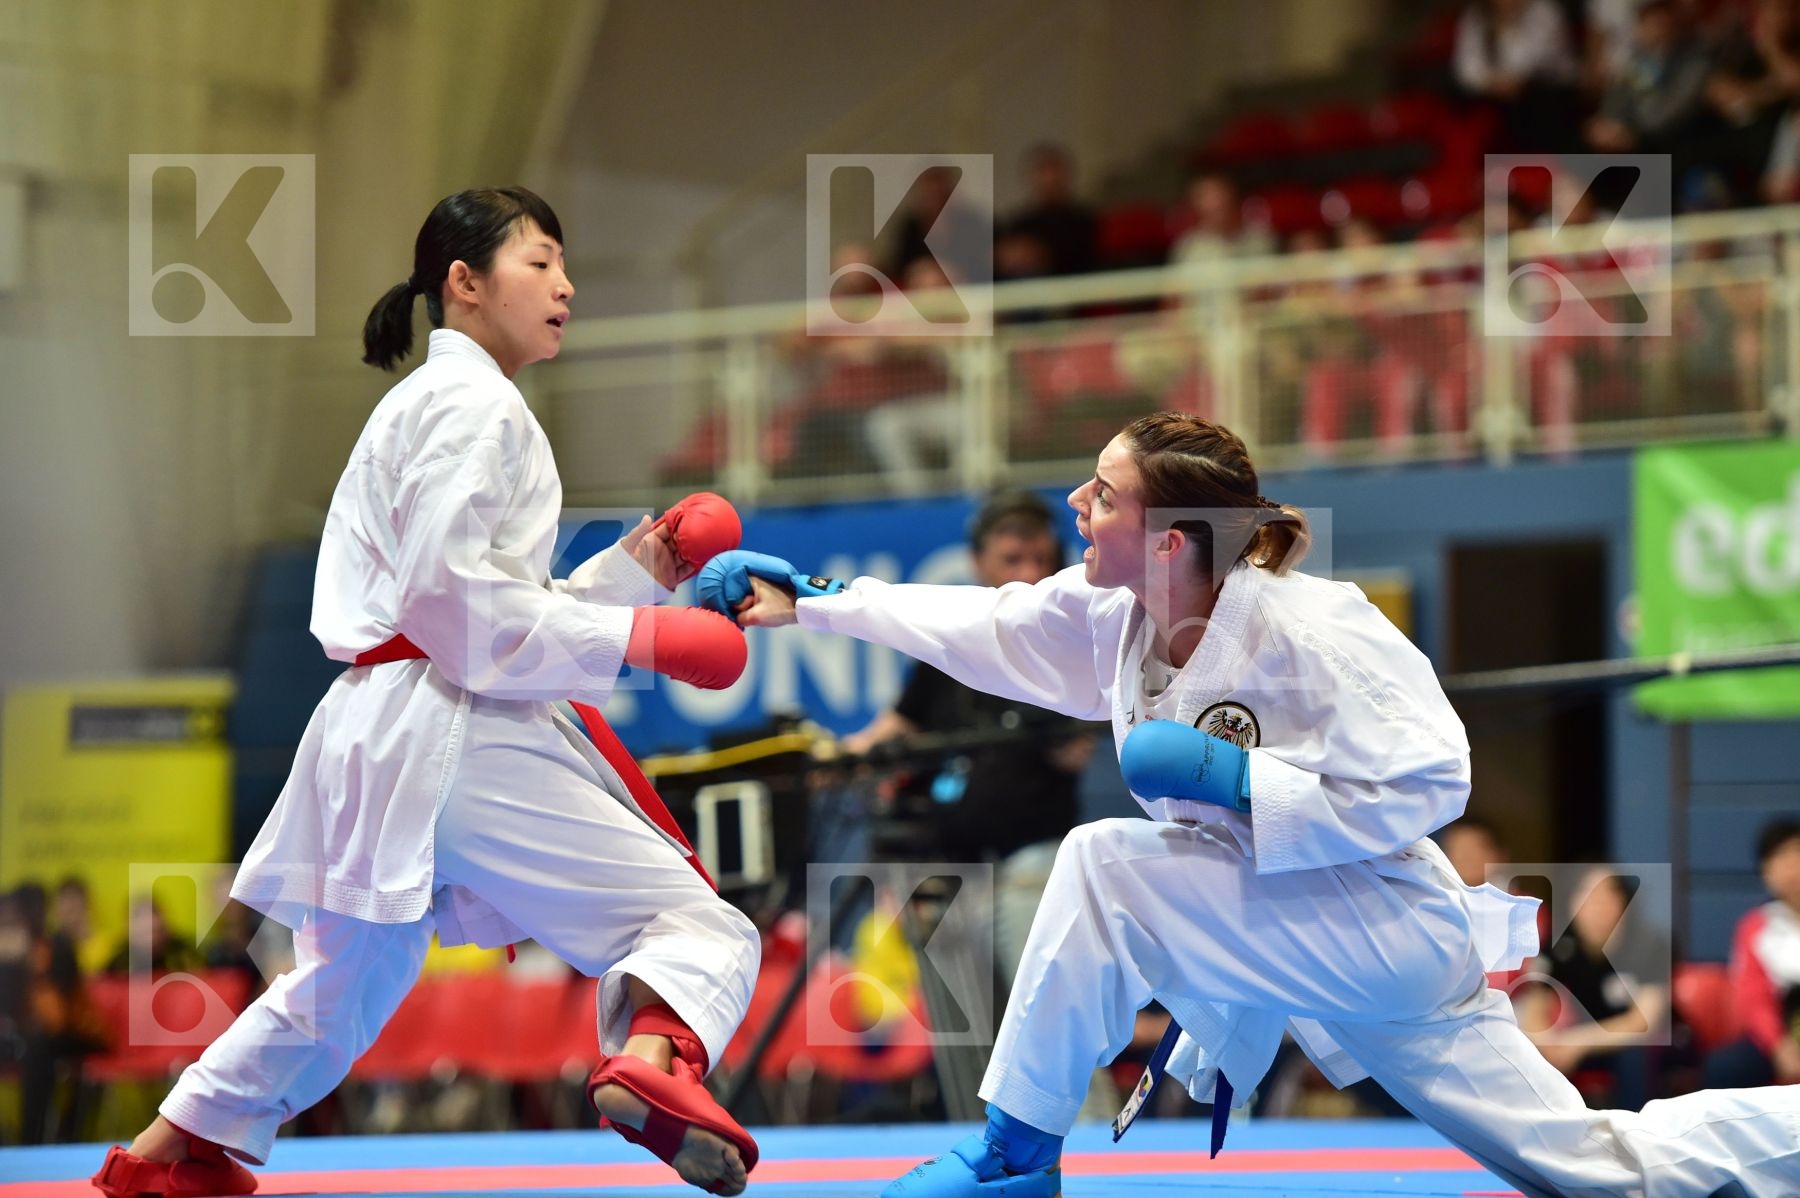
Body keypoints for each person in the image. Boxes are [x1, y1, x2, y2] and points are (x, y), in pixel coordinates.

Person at [701, 411, 1800, 1197]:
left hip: (1385, 927)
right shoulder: (1114, 615)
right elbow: (983, 626)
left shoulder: (1311, 628)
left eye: (1102, 495)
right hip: (1299, 933)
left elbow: (1436, 773)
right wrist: (816, 600)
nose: (1076, 508)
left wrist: (1242, 780)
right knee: (1600, 1171)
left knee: (1101, 862)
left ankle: (1013, 1154)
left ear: (1172, 538)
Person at [91, 188, 761, 1198]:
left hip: (379, 725)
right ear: (465, 281)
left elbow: (480, 604)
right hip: (450, 728)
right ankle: (656, 1064)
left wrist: (639, 570)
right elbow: (454, 609)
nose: (567, 284)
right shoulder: (474, 403)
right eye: (540, 261)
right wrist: (646, 637)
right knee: (694, 924)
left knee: (346, 980)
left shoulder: (438, 402)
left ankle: (169, 1155)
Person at [840, 490, 1097, 985]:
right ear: (980, 564)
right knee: (966, 1035)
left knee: (1042, 1013)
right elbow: (895, 726)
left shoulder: (1070, 646)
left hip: (1032, 865)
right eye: (1011, 559)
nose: (1026, 571)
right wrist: (836, 759)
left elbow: (1075, 750)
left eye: (1040, 560)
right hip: (951, 869)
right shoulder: (951, 645)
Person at [1514, 866, 1672, 1111]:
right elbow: (1535, 1004)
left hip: (1650, 1044)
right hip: (1586, 1042)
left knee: (1634, 1058)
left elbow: (1643, 1023)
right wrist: (1545, 1042)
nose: (1597, 907)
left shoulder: (1649, 945)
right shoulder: (1560, 945)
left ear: (1623, 903)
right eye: (1588, 897)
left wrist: (1577, 1042)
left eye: (1606, 896)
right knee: (1528, 1052)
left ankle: (1636, 1138)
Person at [1706, 817, 1800, 1089]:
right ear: (1766, 873)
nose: (1791, 868)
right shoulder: (1755, 927)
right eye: (1779, 859)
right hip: (1779, 1036)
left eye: (1796, 854)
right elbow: (1753, 997)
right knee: (1724, 1068)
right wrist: (1778, 1045)